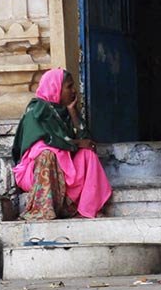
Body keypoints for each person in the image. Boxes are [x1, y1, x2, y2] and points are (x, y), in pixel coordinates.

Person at [11, 68, 112, 220]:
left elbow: (87, 140)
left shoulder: (64, 112)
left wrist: (73, 112)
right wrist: (76, 144)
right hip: (35, 170)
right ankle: (43, 210)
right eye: (69, 87)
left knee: (87, 154)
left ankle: (85, 209)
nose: (73, 91)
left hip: (64, 167)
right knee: (47, 154)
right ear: (55, 87)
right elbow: (46, 141)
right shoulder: (36, 110)